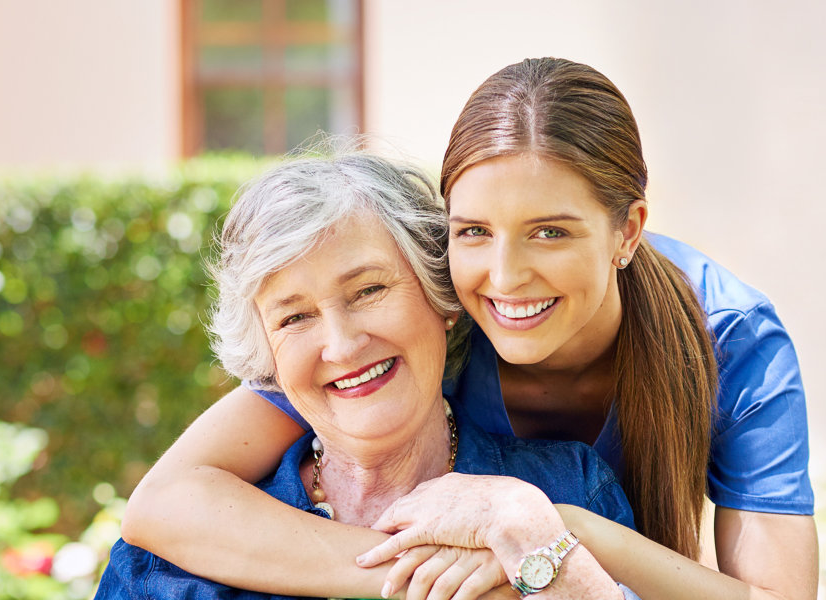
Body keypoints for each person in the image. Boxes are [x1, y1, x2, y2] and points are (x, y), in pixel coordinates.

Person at [125, 57, 817, 600]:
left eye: (549, 231)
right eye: (474, 232)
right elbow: (166, 503)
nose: (505, 276)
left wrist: (551, 529)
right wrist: (416, 572)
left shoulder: (729, 337)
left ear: (628, 231)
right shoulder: (431, 313)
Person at [97, 151, 637, 599]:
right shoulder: (170, 563)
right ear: (268, 359)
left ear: (441, 297)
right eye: (295, 317)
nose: (342, 345)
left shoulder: (570, 490)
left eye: (369, 291)